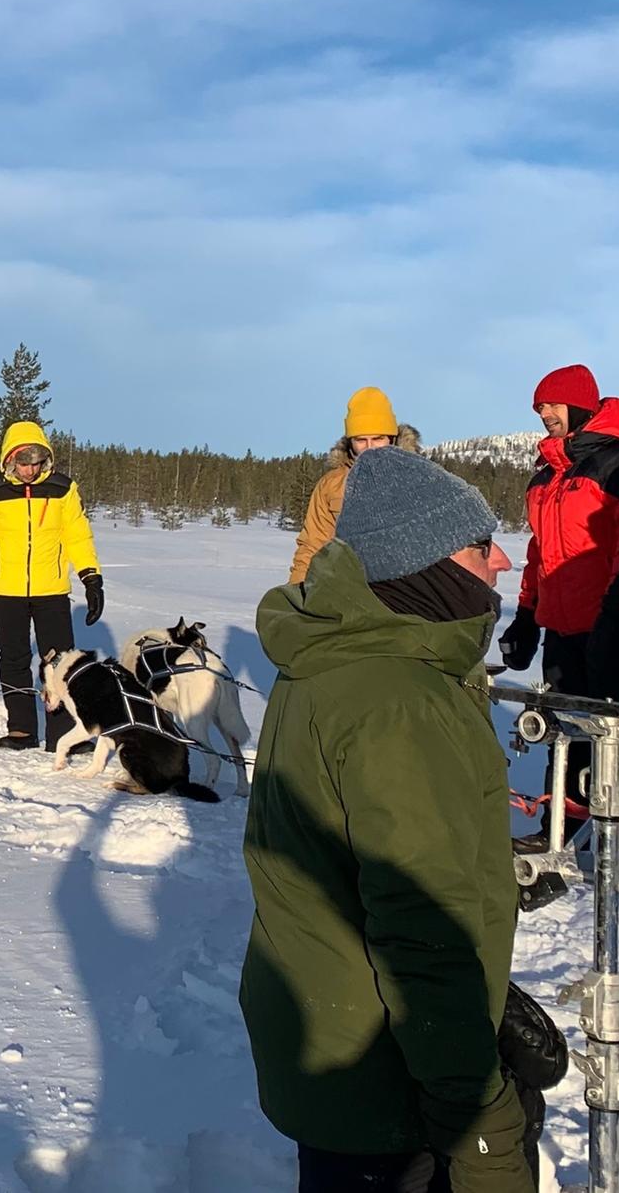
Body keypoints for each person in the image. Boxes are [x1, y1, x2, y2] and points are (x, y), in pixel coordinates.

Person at [245, 446, 534, 1193]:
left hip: (335, 1043)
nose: (503, 560)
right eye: (479, 545)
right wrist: (477, 1109)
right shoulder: (396, 702)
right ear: (425, 565)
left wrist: (490, 1003)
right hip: (382, 1076)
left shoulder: (337, 655)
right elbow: (421, 927)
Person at [496, 363, 619, 836]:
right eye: (539, 407)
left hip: (615, 626)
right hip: (562, 628)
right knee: (566, 737)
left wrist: (617, 616)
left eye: (551, 404)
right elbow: (539, 553)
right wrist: (527, 617)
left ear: (578, 405)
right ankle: (558, 832)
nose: (544, 414)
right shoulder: (545, 478)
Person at [0, 421, 104, 750]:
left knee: (60, 661)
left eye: (37, 463)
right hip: (6, 591)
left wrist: (91, 578)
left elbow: (78, 536)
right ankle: (21, 728)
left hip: (51, 589)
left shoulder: (63, 489)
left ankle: (62, 732)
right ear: (10, 458)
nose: (31, 470)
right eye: (24, 462)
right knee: (14, 658)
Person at [289, 386, 420, 584]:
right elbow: (312, 547)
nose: (369, 448)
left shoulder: (417, 477)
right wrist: (297, 592)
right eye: (361, 440)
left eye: (378, 438)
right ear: (350, 442)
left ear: (392, 438)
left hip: (406, 592)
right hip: (348, 589)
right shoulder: (331, 485)